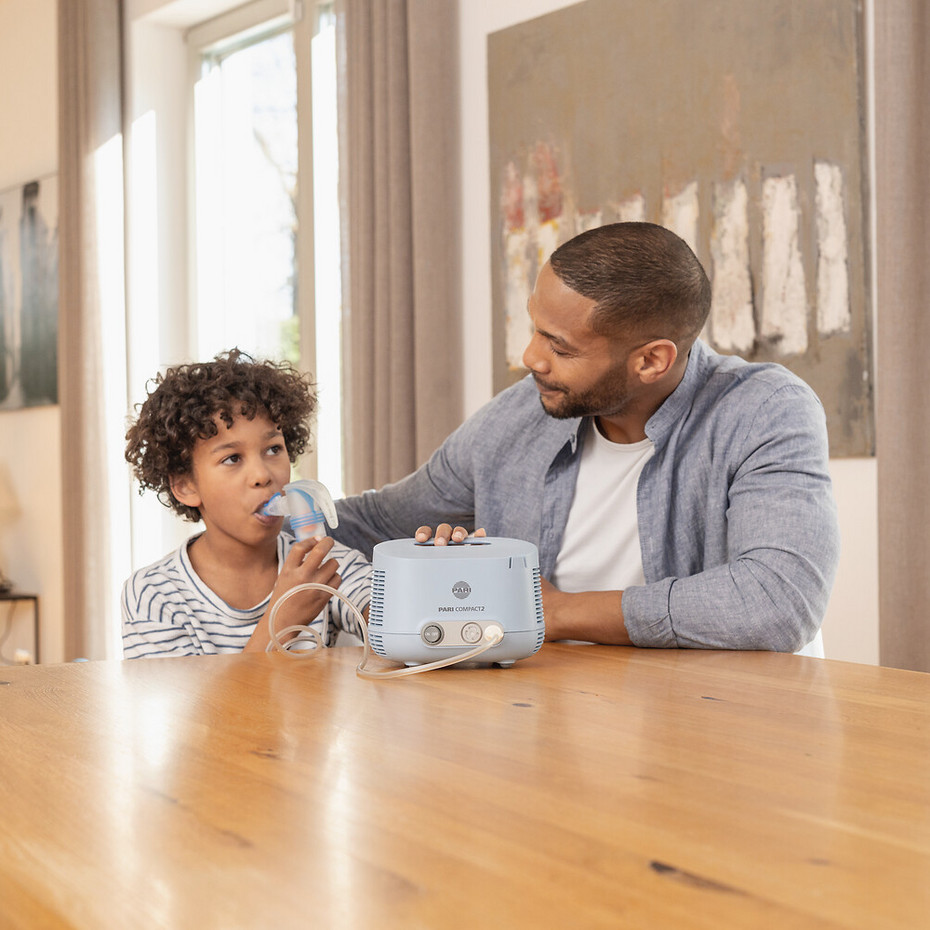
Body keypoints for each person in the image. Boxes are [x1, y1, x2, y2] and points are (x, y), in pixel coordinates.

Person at [331, 222, 840, 653]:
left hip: (727, 729)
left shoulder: (764, 411)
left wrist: (556, 613)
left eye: (560, 345)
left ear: (650, 360)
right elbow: (378, 523)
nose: (531, 358)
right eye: (535, 328)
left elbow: (778, 601)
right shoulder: (518, 416)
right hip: (556, 720)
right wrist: (270, 506)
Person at [121, 349, 371, 659]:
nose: (263, 475)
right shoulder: (155, 595)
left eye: (272, 450)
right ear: (186, 486)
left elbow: (403, 632)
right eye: (232, 458)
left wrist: (432, 573)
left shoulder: (324, 566)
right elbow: (192, 709)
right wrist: (282, 620)